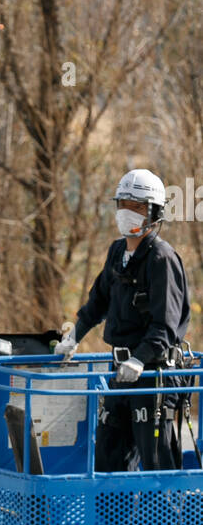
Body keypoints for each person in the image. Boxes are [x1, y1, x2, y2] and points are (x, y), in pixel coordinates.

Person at [56, 169, 190, 471]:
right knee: (108, 457)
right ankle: (111, 519)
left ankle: (165, 519)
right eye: (124, 204)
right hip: (119, 375)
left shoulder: (161, 259)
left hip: (152, 378)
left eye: (138, 207)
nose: (128, 213)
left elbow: (165, 326)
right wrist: (73, 336)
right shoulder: (117, 252)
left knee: (158, 467)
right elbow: (97, 302)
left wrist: (140, 360)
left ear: (154, 212)